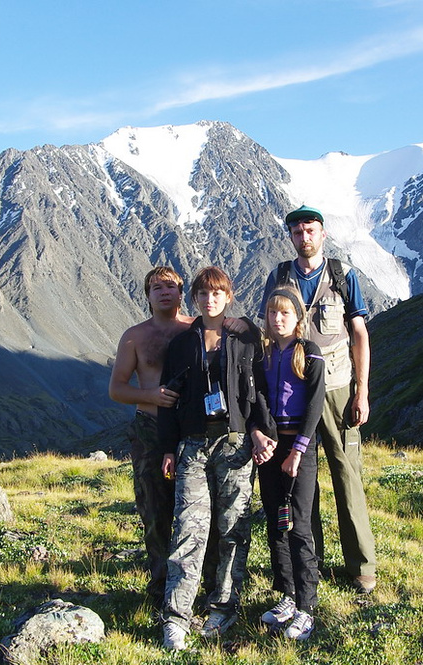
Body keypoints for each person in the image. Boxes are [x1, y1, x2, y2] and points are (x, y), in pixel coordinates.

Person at [258, 205, 377, 594]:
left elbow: (359, 334)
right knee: (299, 480)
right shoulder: (280, 277)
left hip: (337, 388)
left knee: (346, 475)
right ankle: (311, 562)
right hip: (293, 396)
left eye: (310, 230)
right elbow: (267, 329)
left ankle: (362, 567)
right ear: (291, 237)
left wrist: (362, 390)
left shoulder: (342, 276)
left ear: (323, 234)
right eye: (297, 232)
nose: (304, 237)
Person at [158, 266, 276, 651]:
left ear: (229, 296)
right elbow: (168, 400)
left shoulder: (245, 337)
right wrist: (168, 447)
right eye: (203, 293)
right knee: (188, 530)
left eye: (217, 293)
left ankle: (224, 608)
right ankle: (176, 617)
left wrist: (262, 430)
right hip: (192, 445)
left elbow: (259, 390)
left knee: (232, 529)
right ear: (194, 298)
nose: (210, 300)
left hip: (234, 444)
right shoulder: (181, 344)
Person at [108, 267, 193, 609]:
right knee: (155, 511)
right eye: (156, 287)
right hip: (150, 430)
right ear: (147, 296)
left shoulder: (197, 329)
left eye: (171, 286)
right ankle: (160, 587)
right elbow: (117, 389)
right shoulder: (135, 337)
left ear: (181, 292)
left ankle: (197, 583)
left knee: (196, 509)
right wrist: (151, 395)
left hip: (192, 430)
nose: (164, 292)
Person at [254, 286, 325, 641]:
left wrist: (298, 451)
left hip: (300, 447)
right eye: (272, 312)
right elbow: (256, 397)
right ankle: (287, 593)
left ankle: (306, 606)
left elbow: (315, 404)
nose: (277, 319)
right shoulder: (262, 355)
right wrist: (260, 435)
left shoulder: (309, 352)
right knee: (276, 521)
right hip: (271, 446)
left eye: (285, 313)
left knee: (299, 524)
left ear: (298, 318)